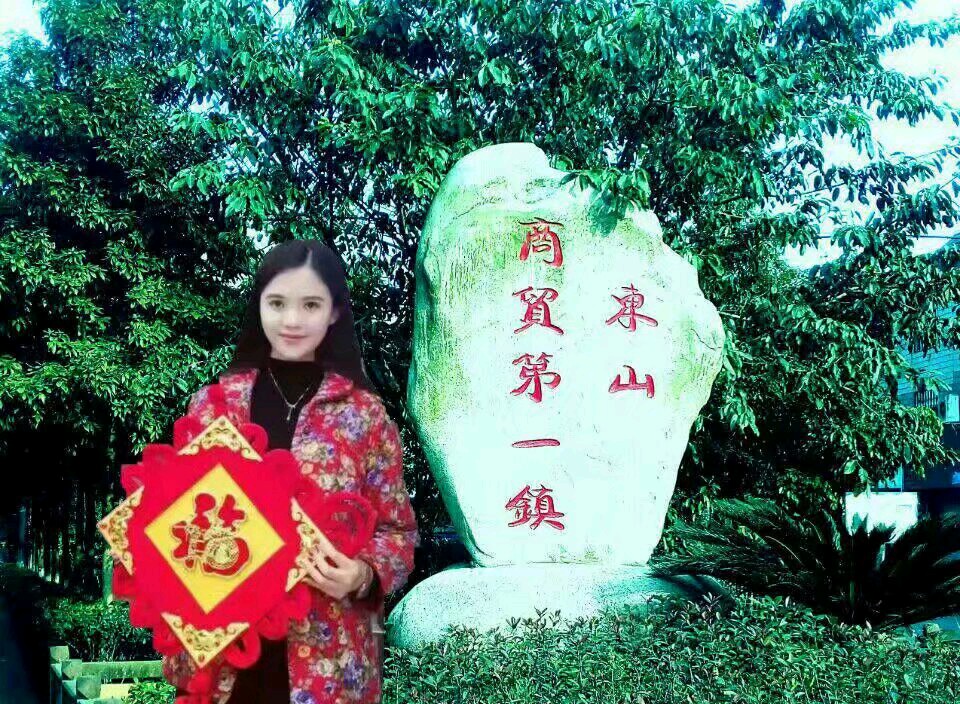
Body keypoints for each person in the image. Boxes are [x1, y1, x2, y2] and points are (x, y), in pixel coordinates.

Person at [118, 238, 419, 703]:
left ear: (334, 312)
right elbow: (168, 516)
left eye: (310, 304)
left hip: (329, 661)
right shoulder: (214, 408)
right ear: (259, 305)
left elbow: (399, 532)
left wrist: (362, 574)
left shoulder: (363, 417)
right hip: (225, 665)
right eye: (277, 303)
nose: (292, 320)